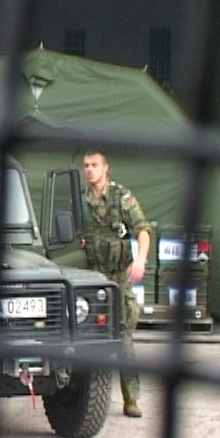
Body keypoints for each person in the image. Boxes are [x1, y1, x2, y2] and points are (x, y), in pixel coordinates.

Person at [82, 150, 151, 418]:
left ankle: (131, 398)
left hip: (118, 277)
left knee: (123, 338)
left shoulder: (121, 197)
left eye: (94, 165)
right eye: (86, 166)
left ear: (105, 168)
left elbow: (143, 229)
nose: (90, 170)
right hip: (92, 275)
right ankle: (86, 398)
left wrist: (140, 260)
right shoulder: (81, 200)